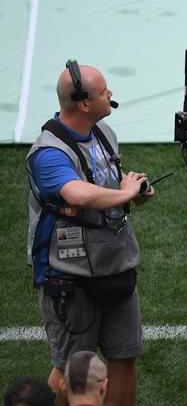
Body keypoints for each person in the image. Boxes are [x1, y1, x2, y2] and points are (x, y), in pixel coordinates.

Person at [26, 61, 154, 406]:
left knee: (125, 354)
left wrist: (134, 193)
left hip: (116, 262)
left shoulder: (102, 132)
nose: (110, 95)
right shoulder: (48, 152)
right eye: (103, 92)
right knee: (71, 366)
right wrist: (125, 193)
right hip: (69, 274)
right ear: (83, 103)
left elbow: (108, 187)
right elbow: (77, 194)